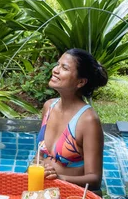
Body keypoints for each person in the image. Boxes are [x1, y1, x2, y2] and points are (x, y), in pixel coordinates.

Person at [37, 48, 108, 190]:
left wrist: (59, 178)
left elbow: (94, 179)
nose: (55, 70)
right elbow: (39, 155)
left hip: (70, 196)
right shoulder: (48, 107)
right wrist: (36, 166)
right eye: (58, 64)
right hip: (42, 191)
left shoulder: (88, 120)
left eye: (64, 68)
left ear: (80, 82)